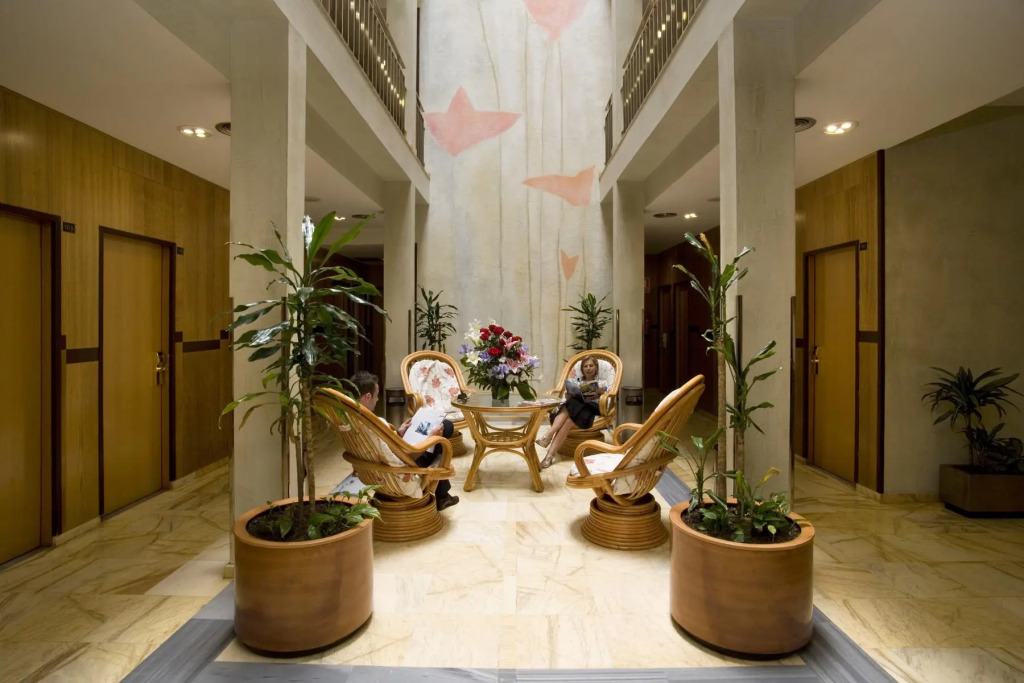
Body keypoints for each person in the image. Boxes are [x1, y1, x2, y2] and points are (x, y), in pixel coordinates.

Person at [351, 370, 460, 511]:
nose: (377, 399)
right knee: (445, 429)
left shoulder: (352, 420)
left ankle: (443, 495)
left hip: (375, 471)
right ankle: (442, 495)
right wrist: (430, 438)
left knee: (441, 429)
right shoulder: (376, 424)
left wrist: (399, 433)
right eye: (377, 395)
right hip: (401, 471)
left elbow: (384, 448)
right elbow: (406, 457)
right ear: (367, 396)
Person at [535, 355, 608, 468]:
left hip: (590, 410)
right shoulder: (576, 381)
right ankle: (549, 456)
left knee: (573, 402)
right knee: (569, 417)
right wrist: (569, 395)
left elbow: (601, 393)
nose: (588, 368)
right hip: (575, 410)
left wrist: (584, 392)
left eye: (591, 366)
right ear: (582, 369)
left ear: (596, 367)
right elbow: (569, 397)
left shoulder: (602, 382)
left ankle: (548, 435)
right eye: (585, 366)